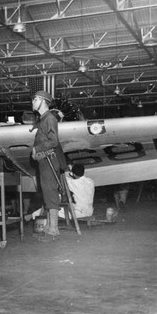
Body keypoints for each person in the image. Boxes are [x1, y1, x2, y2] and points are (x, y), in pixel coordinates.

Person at [31, 90, 62, 241]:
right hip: (44, 161)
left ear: (43, 101)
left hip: (49, 160)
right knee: (47, 194)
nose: (33, 102)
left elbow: (54, 141)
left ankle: (53, 230)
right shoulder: (43, 119)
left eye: (35, 99)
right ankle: (50, 229)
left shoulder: (49, 118)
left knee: (50, 194)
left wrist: (37, 148)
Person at [28, 164, 95, 221]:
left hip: (79, 213)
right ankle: (32, 215)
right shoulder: (90, 181)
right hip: (89, 211)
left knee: (52, 208)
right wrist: (71, 170)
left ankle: (32, 215)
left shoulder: (72, 183)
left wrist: (68, 171)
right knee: (68, 205)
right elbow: (75, 179)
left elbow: (63, 178)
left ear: (73, 174)